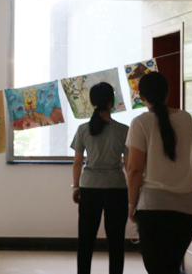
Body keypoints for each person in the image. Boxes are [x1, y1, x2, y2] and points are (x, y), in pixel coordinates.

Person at [126, 72, 192, 274]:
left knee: (157, 268)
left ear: (141, 97)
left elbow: (134, 169)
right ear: (168, 92)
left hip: (154, 206)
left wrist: (131, 205)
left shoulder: (140, 122)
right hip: (189, 207)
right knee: (172, 266)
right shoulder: (186, 118)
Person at [71, 82, 129, 274]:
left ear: (92, 102)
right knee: (116, 241)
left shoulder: (83, 129)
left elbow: (77, 163)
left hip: (89, 188)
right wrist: (134, 190)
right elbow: (129, 165)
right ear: (112, 102)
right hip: (117, 188)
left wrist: (76, 187)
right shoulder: (123, 130)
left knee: (85, 240)